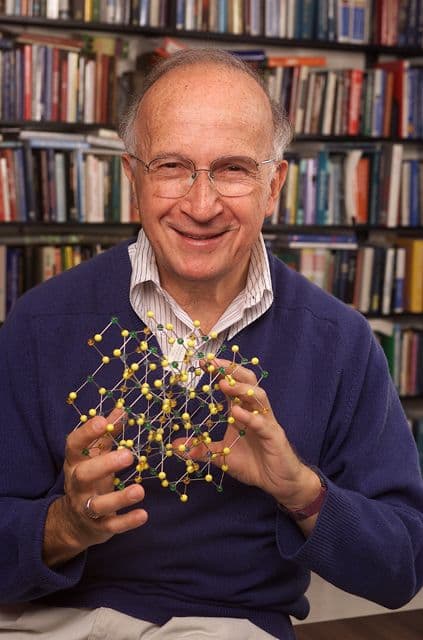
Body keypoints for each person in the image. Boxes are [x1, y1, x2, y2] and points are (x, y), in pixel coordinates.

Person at [0, 48, 422, 640]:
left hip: (228, 627)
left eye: (233, 169)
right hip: (50, 621)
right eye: (172, 166)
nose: (201, 207)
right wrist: (65, 527)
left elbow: (401, 569)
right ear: (132, 178)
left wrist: (300, 491)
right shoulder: (39, 322)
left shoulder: (341, 343)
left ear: (273, 185)